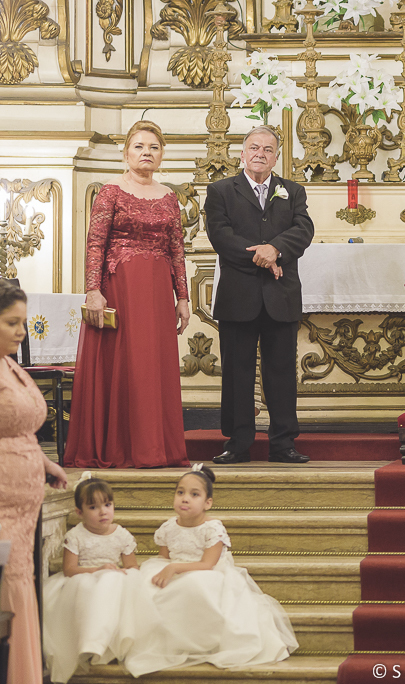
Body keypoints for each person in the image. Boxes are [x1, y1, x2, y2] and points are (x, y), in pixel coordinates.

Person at [65, 120, 191, 469]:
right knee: (126, 364)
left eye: (153, 147)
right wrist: (93, 290)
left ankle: (154, 447)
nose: (146, 152)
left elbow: (177, 250)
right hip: (119, 288)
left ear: (162, 154)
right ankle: (121, 446)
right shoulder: (111, 191)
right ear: (126, 153)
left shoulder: (169, 197)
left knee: (153, 365)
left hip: (156, 291)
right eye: (139, 146)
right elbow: (95, 244)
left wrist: (183, 296)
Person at [118, 464, 297, 675]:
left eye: (194, 494)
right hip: (176, 570)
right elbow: (163, 559)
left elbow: (207, 564)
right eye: (180, 492)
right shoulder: (168, 527)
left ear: (207, 503)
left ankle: (200, 641)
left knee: (195, 586)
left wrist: (175, 567)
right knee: (149, 586)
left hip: (207, 573)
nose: (185, 498)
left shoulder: (213, 529)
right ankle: (166, 642)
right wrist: (165, 570)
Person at [205, 125, 315, 464]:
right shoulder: (221, 190)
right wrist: (262, 256)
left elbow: (303, 229)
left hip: (280, 296)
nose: (260, 154)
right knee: (237, 373)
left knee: (281, 372)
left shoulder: (292, 191)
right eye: (254, 147)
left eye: (268, 149)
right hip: (239, 295)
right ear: (242, 153)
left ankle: (283, 443)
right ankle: (238, 444)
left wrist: (276, 249)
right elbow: (220, 235)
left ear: (277, 157)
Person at [0, 280, 69, 684]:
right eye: (11, 323)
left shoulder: (9, 363)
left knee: (20, 584)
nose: (21, 332)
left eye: (23, 323)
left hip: (24, 503)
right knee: (8, 590)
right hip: (3, 503)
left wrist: (45, 463)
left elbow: (18, 429)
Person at [43, 475, 139, 683]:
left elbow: (132, 566)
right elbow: (69, 570)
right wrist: (99, 569)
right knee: (89, 587)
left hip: (112, 578)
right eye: (93, 507)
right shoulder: (76, 535)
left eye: (107, 504)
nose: (103, 511)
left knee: (114, 583)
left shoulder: (122, 535)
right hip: (83, 577)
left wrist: (119, 572)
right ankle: (89, 643)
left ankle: (108, 645)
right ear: (80, 512)